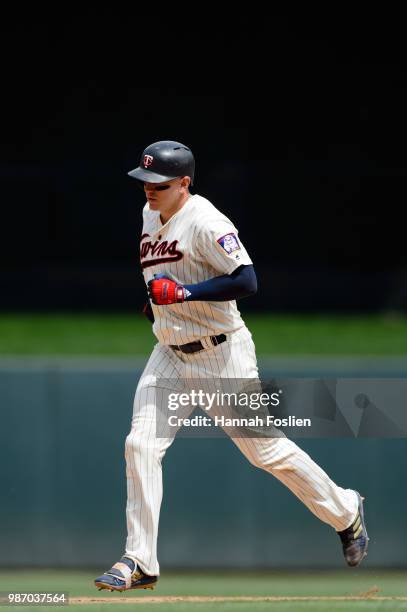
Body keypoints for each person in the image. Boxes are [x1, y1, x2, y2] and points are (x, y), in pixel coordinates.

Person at [94, 140, 369, 592]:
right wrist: (160, 306)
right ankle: (139, 560)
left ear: (184, 183)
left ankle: (345, 509)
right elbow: (161, 273)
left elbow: (247, 280)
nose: (149, 190)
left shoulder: (206, 220)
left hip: (220, 353)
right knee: (140, 446)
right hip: (168, 351)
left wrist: (184, 295)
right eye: (144, 182)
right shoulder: (150, 213)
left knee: (266, 452)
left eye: (159, 183)